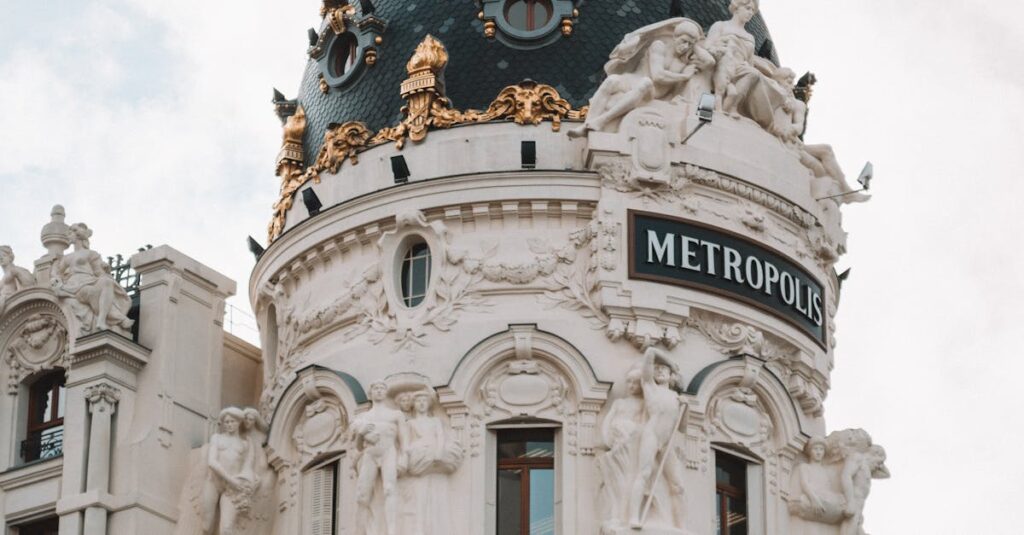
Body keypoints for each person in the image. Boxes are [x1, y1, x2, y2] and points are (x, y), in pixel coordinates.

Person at [570, 18, 714, 137]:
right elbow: (658, 75)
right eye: (683, 41)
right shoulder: (659, 46)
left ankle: (601, 121)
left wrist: (695, 44)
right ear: (675, 37)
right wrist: (683, 76)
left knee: (646, 83)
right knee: (611, 80)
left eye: (689, 44)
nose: (685, 47)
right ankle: (587, 125)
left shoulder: (686, 60)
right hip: (633, 79)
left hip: (652, 92)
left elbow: (710, 62)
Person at [628, 347, 687, 529]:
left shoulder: (676, 397)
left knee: (678, 486)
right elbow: (650, 352)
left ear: (671, 376)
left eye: (664, 369)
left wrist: (686, 408)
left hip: (667, 442)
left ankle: (681, 526)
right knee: (643, 474)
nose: (660, 371)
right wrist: (671, 364)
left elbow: (683, 427)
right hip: (652, 435)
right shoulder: (650, 387)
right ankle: (633, 517)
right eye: (657, 369)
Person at [50, 223, 133, 333]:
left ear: (78, 235)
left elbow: (99, 272)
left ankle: (101, 320)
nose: (68, 236)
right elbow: (58, 273)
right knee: (94, 295)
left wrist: (106, 270)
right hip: (75, 285)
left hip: (90, 281)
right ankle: (120, 319)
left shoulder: (91, 254)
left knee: (107, 282)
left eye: (70, 233)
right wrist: (55, 277)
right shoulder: (67, 258)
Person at [352, 381, 406, 535]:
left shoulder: (395, 414)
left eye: (382, 388)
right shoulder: (363, 417)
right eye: (376, 388)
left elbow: (404, 439)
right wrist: (361, 434)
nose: (379, 391)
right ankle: (361, 531)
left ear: (386, 392)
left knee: (389, 489)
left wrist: (404, 457)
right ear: (371, 393)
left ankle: (392, 531)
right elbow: (358, 447)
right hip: (370, 454)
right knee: (362, 496)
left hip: (389, 451)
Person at [201, 408, 257, 535]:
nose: (229, 424)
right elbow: (212, 462)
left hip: (231, 490)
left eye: (232, 421)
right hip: (214, 483)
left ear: (239, 422)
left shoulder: (245, 444)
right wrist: (232, 480)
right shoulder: (217, 438)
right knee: (206, 526)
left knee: (227, 529)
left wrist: (246, 483)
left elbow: (248, 466)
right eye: (226, 422)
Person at [706, 0, 760, 116]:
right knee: (720, 89)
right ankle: (717, 109)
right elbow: (708, 46)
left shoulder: (750, 37)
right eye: (748, 8)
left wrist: (747, 65)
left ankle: (733, 107)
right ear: (737, 7)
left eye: (752, 10)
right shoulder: (721, 26)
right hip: (723, 62)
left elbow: (750, 62)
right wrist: (720, 48)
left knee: (754, 73)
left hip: (740, 67)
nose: (750, 13)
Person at [0, 246, 35, 312]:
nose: (1, 258)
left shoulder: (16, 270)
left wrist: (17, 273)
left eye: (4, 255)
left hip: (12, 302)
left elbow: (30, 284)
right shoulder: (3, 278)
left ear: (10, 257)